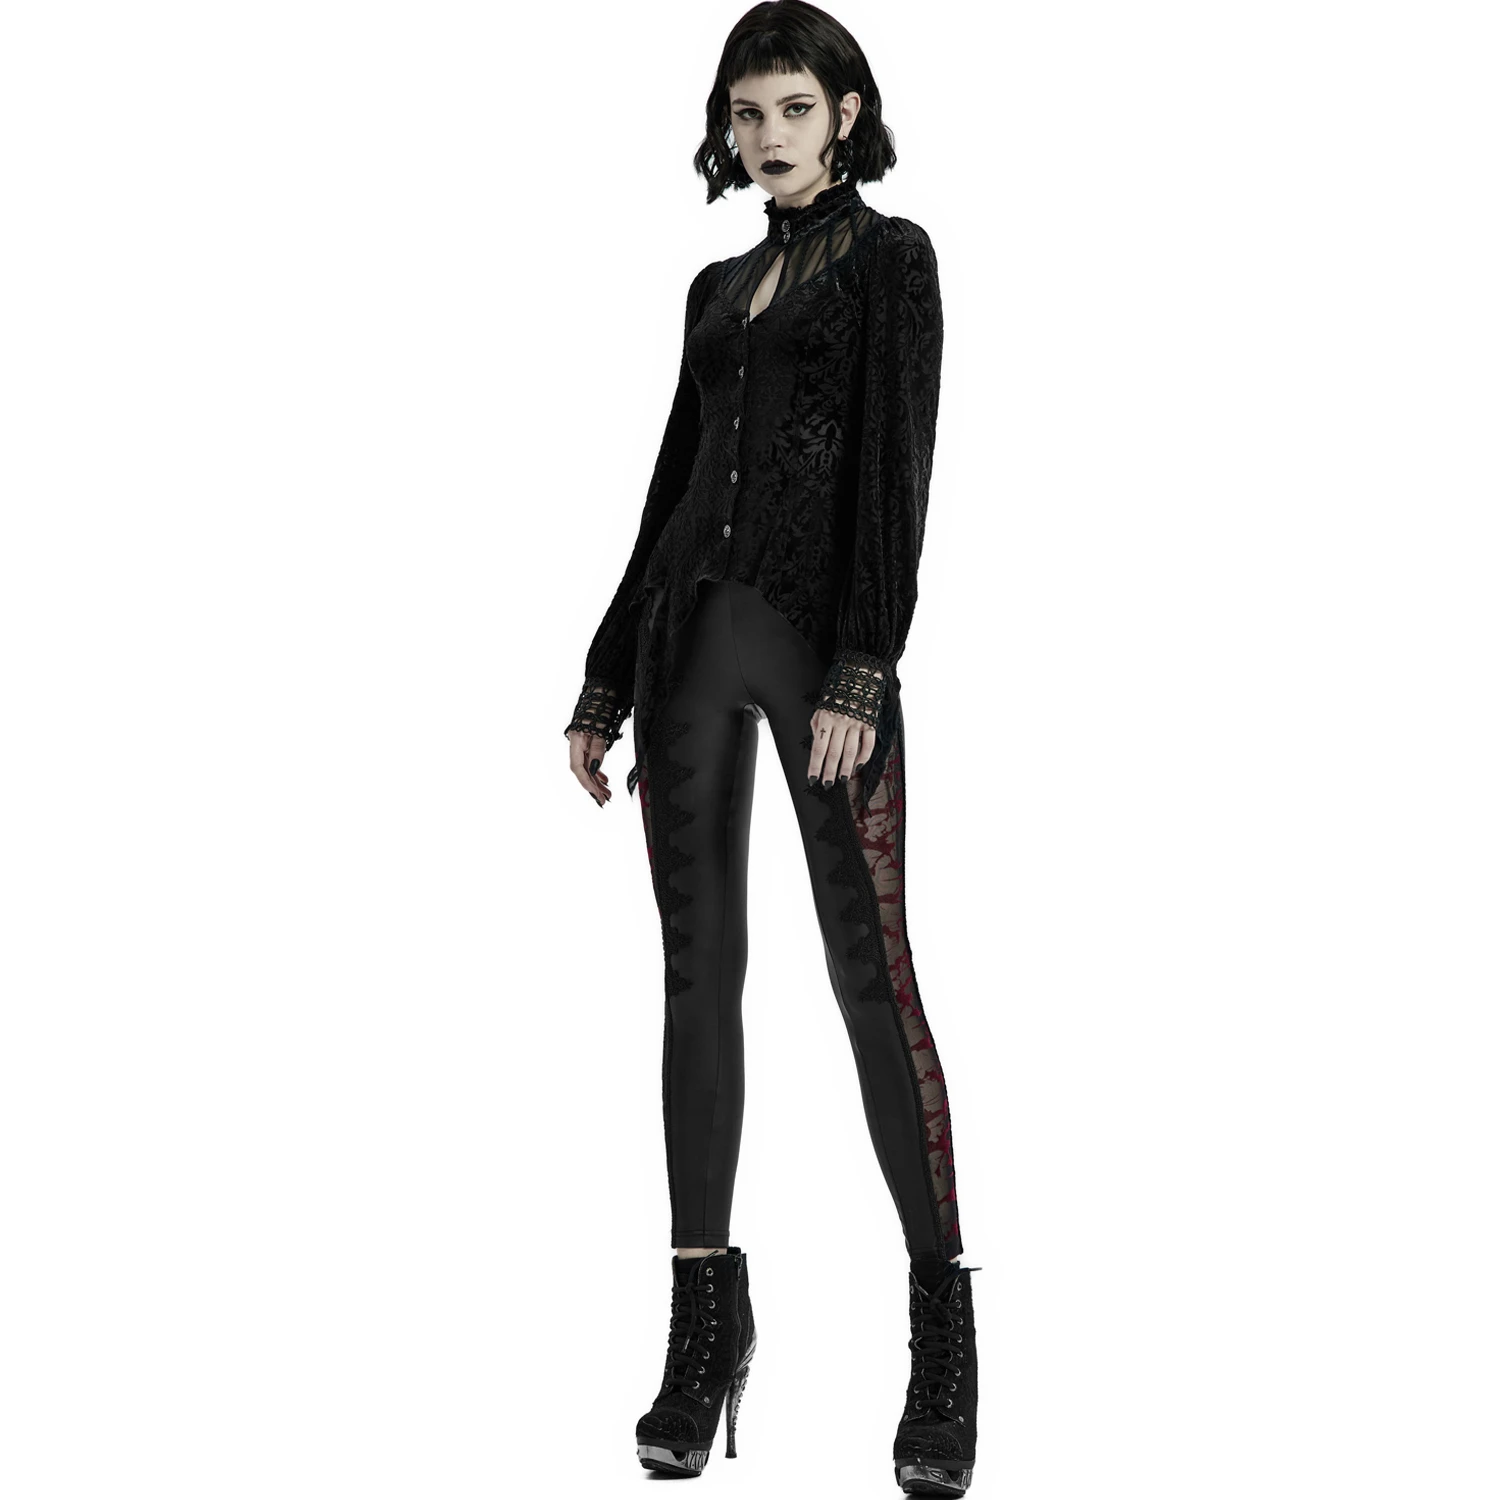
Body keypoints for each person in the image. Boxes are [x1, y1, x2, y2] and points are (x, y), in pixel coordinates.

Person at [562, 4, 980, 1492]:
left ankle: (943, 1336)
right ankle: (704, 1329)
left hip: (817, 653)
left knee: (872, 976)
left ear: (846, 114)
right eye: (746, 114)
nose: (766, 136)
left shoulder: (892, 262)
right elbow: (669, 484)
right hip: (688, 637)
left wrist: (867, 661)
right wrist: (604, 674)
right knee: (698, 979)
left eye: (793, 108)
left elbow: (896, 472)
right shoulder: (715, 287)